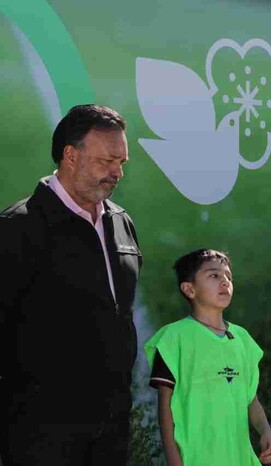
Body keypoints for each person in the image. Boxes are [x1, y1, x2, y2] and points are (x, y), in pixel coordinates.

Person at [0, 105, 141, 465]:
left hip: (112, 426)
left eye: (122, 162)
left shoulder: (122, 222)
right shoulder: (18, 228)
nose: (117, 172)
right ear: (70, 155)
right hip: (41, 432)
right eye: (107, 161)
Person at [145, 249, 271, 465]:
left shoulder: (242, 338)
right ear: (189, 289)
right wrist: (173, 457)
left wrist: (265, 431)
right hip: (196, 458)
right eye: (214, 276)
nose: (225, 282)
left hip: (239, 458)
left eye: (228, 277)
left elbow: (250, 398)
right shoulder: (173, 339)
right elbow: (165, 407)